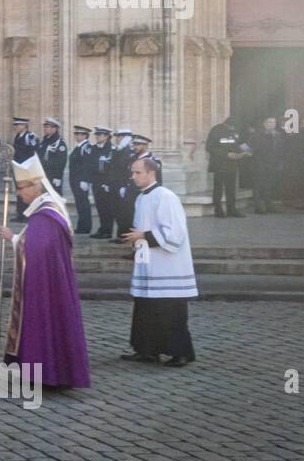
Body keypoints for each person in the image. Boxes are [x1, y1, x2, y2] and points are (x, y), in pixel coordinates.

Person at [0, 157, 91, 387]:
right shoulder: (48, 211)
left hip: (44, 283)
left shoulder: (45, 215)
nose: (19, 194)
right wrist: (19, 239)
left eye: (21, 189)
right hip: (52, 280)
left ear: (35, 186)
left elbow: (35, 248)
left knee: (44, 320)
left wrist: (14, 238)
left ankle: (48, 374)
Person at [119, 157, 197, 367]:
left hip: (167, 264)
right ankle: (147, 350)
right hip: (149, 263)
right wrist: (137, 243)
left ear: (151, 173)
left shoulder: (165, 196)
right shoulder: (141, 198)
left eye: (137, 173)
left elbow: (175, 233)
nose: (132, 177)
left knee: (170, 310)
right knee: (145, 308)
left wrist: (144, 235)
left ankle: (181, 353)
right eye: (132, 173)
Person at [205, 116, 248, 217]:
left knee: (231, 188)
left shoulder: (234, 131)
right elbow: (210, 147)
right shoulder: (216, 130)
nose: (234, 129)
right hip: (219, 164)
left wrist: (247, 150)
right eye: (232, 127)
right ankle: (218, 209)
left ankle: (231, 209)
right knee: (218, 188)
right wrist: (227, 154)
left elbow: (239, 143)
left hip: (232, 164)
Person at [249, 116, 283, 214]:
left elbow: (280, 150)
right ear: (264, 124)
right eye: (270, 122)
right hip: (259, 163)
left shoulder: (278, 135)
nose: (272, 124)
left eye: (274, 122)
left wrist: (279, 162)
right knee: (258, 185)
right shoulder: (257, 134)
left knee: (269, 185)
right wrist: (243, 153)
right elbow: (248, 145)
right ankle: (258, 207)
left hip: (272, 164)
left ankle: (269, 205)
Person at [89, 126, 117, 239]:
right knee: (100, 207)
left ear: (106, 136)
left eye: (100, 135)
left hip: (105, 182)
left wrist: (108, 182)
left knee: (107, 207)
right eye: (96, 135)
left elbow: (113, 168)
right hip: (96, 182)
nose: (97, 137)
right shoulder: (94, 149)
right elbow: (90, 165)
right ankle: (102, 228)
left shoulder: (111, 149)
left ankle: (107, 231)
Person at [67, 125, 94, 234]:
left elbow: (87, 164)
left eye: (80, 134)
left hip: (80, 180)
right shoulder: (78, 147)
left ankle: (85, 227)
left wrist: (85, 179)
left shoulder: (86, 147)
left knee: (83, 203)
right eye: (76, 134)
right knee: (79, 203)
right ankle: (82, 225)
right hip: (75, 180)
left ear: (85, 136)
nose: (77, 136)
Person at [36, 117, 67, 195]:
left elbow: (61, 162)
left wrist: (58, 177)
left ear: (54, 129)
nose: (45, 129)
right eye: (45, 127)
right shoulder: (44, 141)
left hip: (53, 176)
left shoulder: (59, 143)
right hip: (42, 175)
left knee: (54, 197)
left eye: (47, 127)